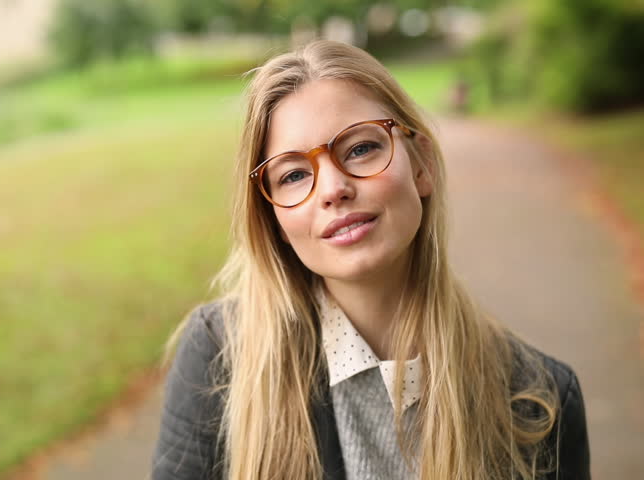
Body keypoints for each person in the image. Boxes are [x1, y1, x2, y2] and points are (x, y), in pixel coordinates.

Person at [151, 40, 590, 480]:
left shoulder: (539, 399)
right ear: (275, 220)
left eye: (360, 149)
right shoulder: (220, 358)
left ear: (421, 165)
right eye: (294, 175)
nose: (332, 189)